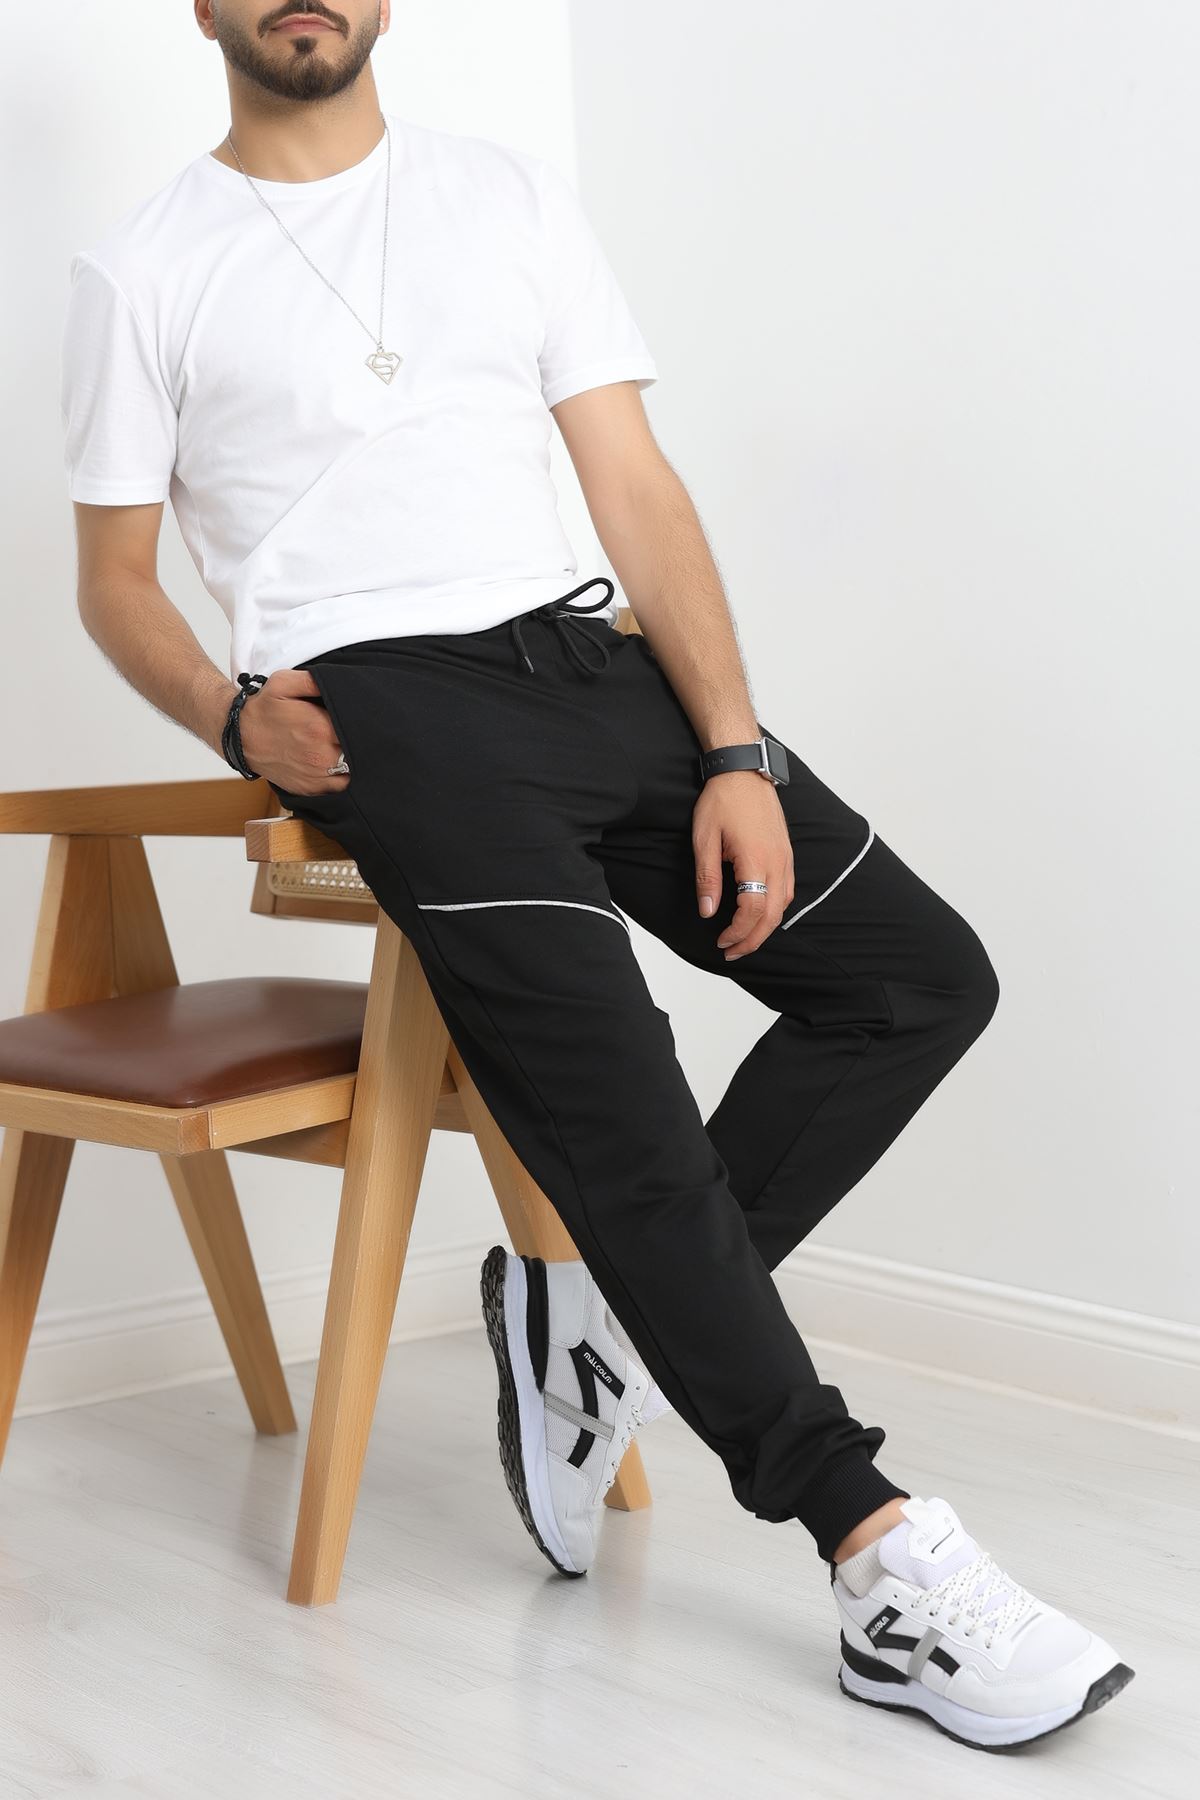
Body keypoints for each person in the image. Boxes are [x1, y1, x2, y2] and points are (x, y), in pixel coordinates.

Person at [58, 2, 1133, 1752]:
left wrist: (735, 750)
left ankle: (589, 1325)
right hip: (388, 713)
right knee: (623, 1105)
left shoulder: (505, 194)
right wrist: (233, 715)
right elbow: (114, 576)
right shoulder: (146, 266)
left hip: (593, 664)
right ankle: (875, 1555)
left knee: (915, 980)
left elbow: (630, 481)